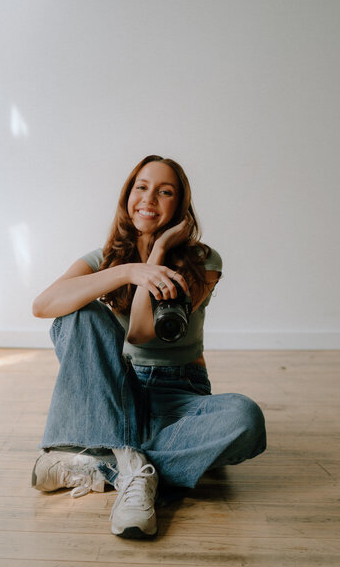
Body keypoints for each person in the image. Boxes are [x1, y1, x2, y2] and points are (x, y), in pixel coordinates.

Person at [31, 155, 266, 539]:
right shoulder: (104, 260)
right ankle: (137, 467)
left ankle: (108, 461)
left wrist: (156, 254)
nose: (149, 198)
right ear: (128, 194)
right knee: (79, 314)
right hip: (121, 389)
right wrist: (126, 270)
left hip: (181, 395)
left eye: (165, 191)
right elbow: (43, 306)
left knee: (245, 418)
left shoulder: (203, 262)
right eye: (142, 187)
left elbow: (141, 332)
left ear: (180, 206)